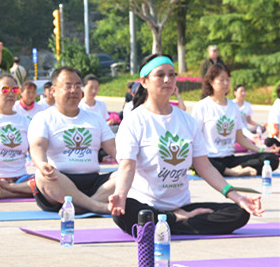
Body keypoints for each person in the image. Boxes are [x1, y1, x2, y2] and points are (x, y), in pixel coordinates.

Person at [109, 54, 263, 235]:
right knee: (124, 213)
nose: (167, 80)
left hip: (182, 205)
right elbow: (127, 166)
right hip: (147, 205)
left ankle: (167, 222)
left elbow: (204, 166)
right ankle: (175, 219)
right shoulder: (134, 121)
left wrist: (236, 196)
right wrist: (120, 194)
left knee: (239, 213)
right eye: (160, 75)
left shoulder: (186, 120)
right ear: (144, 81)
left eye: (172, 74)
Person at [28, 67, 116, 214]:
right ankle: (97, 206)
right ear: (53, 91)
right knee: (41, 176)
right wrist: (42, 163)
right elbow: (37, 146)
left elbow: (115, 149)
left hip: (94, 183)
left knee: (130, 174)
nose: (74, 90)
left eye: (77, 86)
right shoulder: (43, 118)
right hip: (60, 183)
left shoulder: (95, 118)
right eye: (68, 86)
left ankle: (80, 207)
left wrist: (133, 164)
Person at [191, 64, 278, 176]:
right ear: (211, 81)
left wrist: (262, 150)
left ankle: (236, 169)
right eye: (221, 80)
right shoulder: (202, 106)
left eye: (228, 79)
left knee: (271, 159)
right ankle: (231, 172)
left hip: (230, 159)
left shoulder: (233, 106)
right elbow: (193, 139)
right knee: (197, 161)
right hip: (209, 159)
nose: (226, 83)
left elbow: (240, 138)